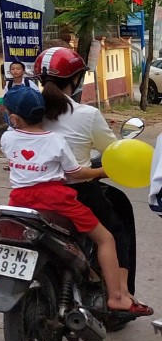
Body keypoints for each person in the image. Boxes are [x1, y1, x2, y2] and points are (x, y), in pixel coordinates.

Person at [38, 46, 150, 315]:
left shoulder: (29, 111)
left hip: (32, 190)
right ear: (75, 80)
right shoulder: (86, 114)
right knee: (113, 232)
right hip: (77, 192)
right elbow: (112, 153)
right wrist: (101, 168)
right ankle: (120, 293)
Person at [0, 85, 133, 312]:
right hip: (56, 199)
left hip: (19, 199)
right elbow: (76, 174)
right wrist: (102, 172)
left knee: (11, 235)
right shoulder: (55, 140)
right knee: (105, 239)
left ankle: (0, 276)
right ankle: (117, 297)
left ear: (14, 118)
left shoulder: (7, 138)